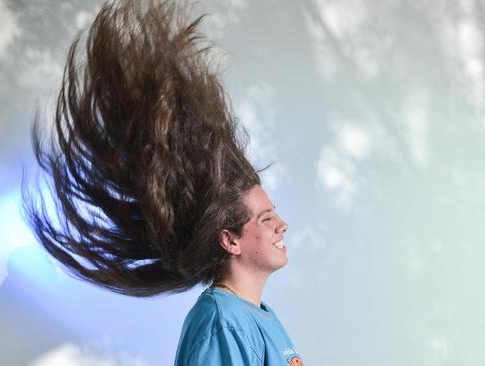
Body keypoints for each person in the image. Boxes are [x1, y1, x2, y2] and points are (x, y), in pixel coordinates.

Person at [23, 1, 303, 364]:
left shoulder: (260, 316)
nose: (283, 225)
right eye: (266, 219)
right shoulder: (223, 321)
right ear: (230, 239)